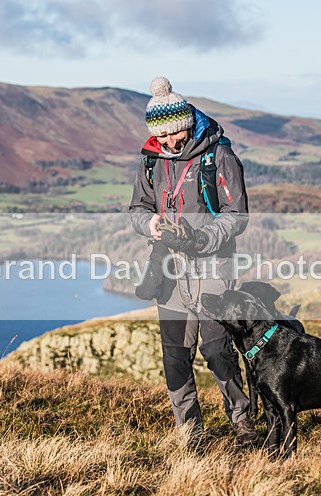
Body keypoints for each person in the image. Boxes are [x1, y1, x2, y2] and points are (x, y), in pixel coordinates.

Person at [129, 77, 257, 446]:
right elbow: (137, 208)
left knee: (218, 350)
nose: (171, 142)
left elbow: (238, 215)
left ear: (187, 121)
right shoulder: (150, 160)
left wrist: (203, 238)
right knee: (174, 356)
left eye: (176, 133)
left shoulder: (219, 156)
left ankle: (242, 421)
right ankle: (190, 432)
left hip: (213, 267)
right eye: (163, 136)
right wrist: (149, 224)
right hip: (168, 267)